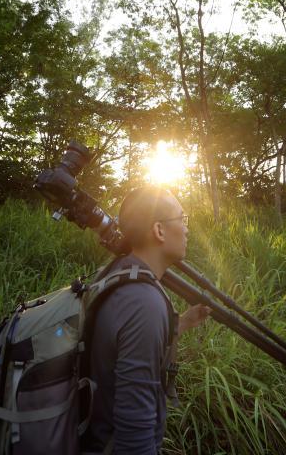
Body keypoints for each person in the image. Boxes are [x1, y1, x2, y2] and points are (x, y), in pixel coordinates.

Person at [80, 187, 210, 455]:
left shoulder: (119, 272)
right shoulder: (144, 304)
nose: (186, 229)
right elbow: (134, 436)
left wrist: (181, 323)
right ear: (159, 230)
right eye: (182, 219)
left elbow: (120, 339)